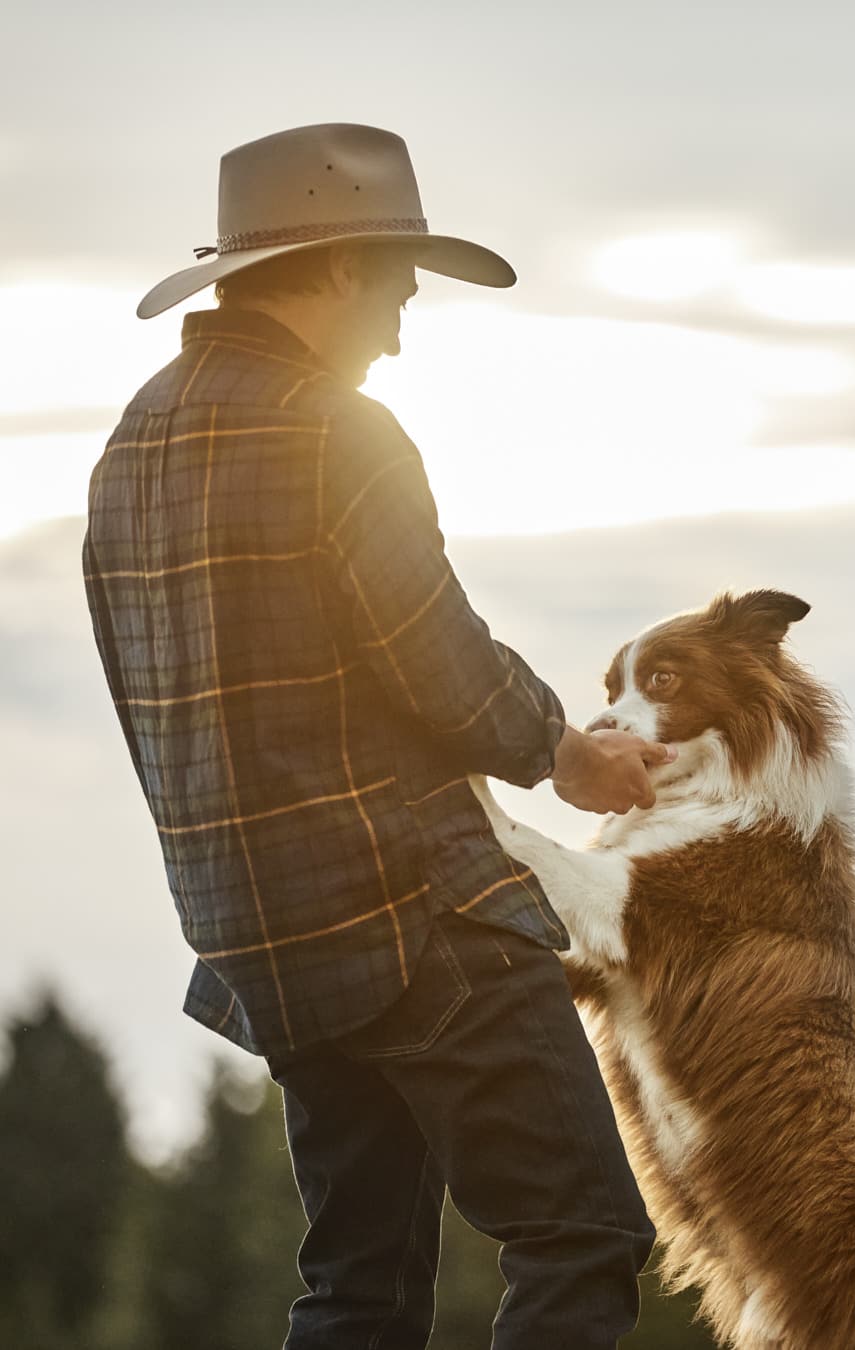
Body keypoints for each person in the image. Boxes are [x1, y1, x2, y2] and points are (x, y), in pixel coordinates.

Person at [83, 123, 675, 1349]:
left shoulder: (127, 452)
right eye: (400, 277)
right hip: (417, 918)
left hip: (267, 946)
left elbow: (147, 716)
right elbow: (446, 671)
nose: (406, 316)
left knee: (358, 1288)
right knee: (583, 1236)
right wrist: (576, 756)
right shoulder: (338, 434)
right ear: (339, 265)